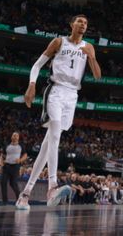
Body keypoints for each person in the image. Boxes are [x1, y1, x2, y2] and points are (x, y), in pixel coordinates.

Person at [16, 14, 101, 210]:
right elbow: (37, 65)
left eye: (86, 23)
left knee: (48, 144)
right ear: (72, 24)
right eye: (80, 21)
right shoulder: (58, 41)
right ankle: (52, 186)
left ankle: (25, 194)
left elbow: (97, 76)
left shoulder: (88, 47)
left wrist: (92, 57)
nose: (83, 25)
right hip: (55, 90)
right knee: (54, 135)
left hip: (72, 96)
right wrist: (31, 85)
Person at [0, 132, 27, 205]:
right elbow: (2, 154)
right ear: (11, 137)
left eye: (16, 136)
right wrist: (1, 161)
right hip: (6, 165)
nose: (15, 137)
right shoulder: (7, 145)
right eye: (14, 135)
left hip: (15, 166)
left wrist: (20, 160)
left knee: (13, 183)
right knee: (3, 182)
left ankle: (19, 199)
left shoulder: (21, 146)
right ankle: (4, 201)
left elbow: (25, 155)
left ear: (18, 138)